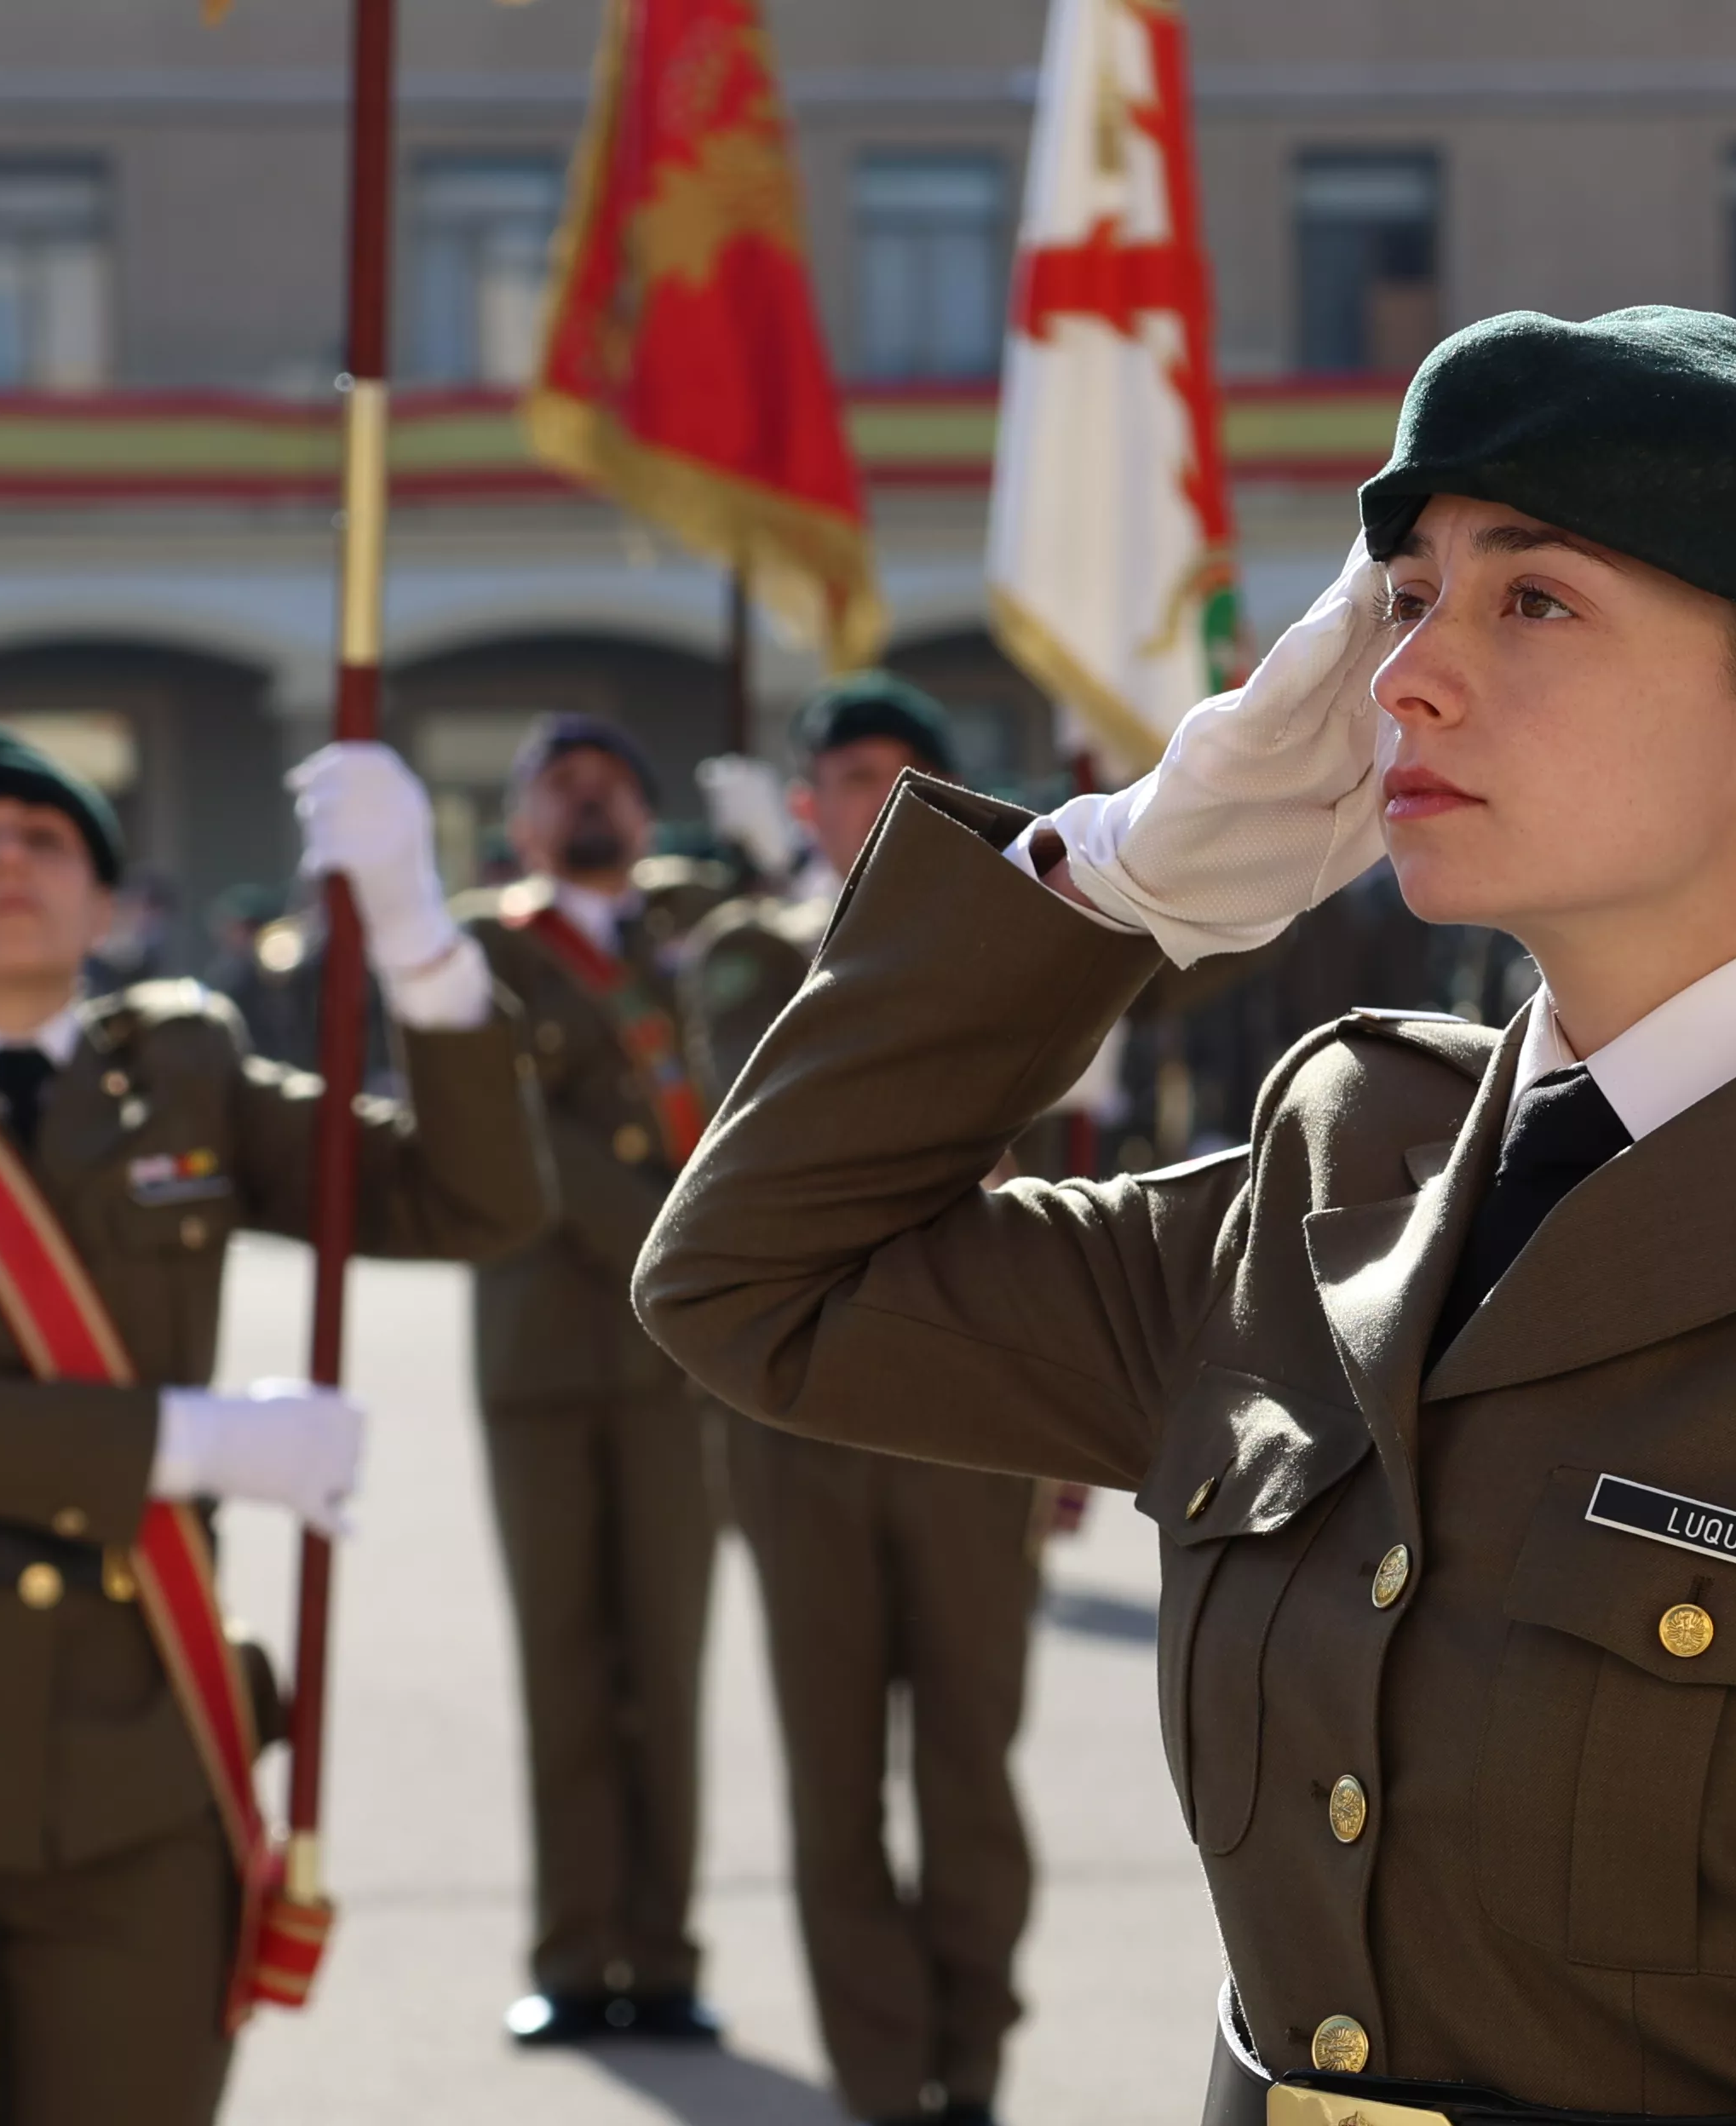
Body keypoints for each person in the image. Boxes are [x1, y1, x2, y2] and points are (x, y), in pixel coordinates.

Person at [639, 307, 1736, 2123]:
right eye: (1404, 599)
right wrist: (1119, 872)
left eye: (1532, 602)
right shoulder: (1349, 1163)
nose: (1404, 680)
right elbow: (760, 1281)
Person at [0, 713, 549, 2125]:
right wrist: (196, 1442)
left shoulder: (183, 1075)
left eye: (46, 839)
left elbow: (476, 1202)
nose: (6, 860)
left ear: (105, 908)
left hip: (140, 1776)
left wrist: (416, 936)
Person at [684, 675, 1042, 2126]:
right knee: (832, 1782)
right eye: (843, 779)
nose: (870, 803)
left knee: (970, 1768)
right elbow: (773, 1141)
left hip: (971, 1416)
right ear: (801, 806)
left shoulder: (1018, 953)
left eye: (899, 776)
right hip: (801, 1420)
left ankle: (973, 2065)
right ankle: (882, 2085)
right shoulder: (749, 953)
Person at [456, 712, 733, 2046]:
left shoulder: (697, 941)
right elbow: (525, 1136)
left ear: (645, 817)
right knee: (564, 1664)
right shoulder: (490, 952)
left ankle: (664, 1956)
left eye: (612, 785)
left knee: (667, 1667)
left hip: (676, 1370)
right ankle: (573, 1956)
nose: (587, 803)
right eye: (560, 784)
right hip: (547, 1355)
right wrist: (692, 1249)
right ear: (519, 823)